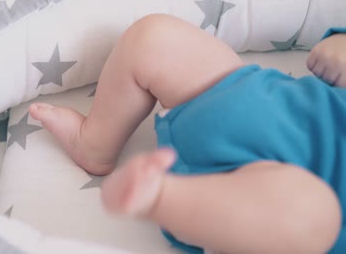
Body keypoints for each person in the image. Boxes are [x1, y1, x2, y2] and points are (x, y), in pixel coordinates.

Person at [29, 14, 346, 254]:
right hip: (246, 94)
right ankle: (94, 142)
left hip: (258, 209)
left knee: (313, 215)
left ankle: (158, 197)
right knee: (154, 38)